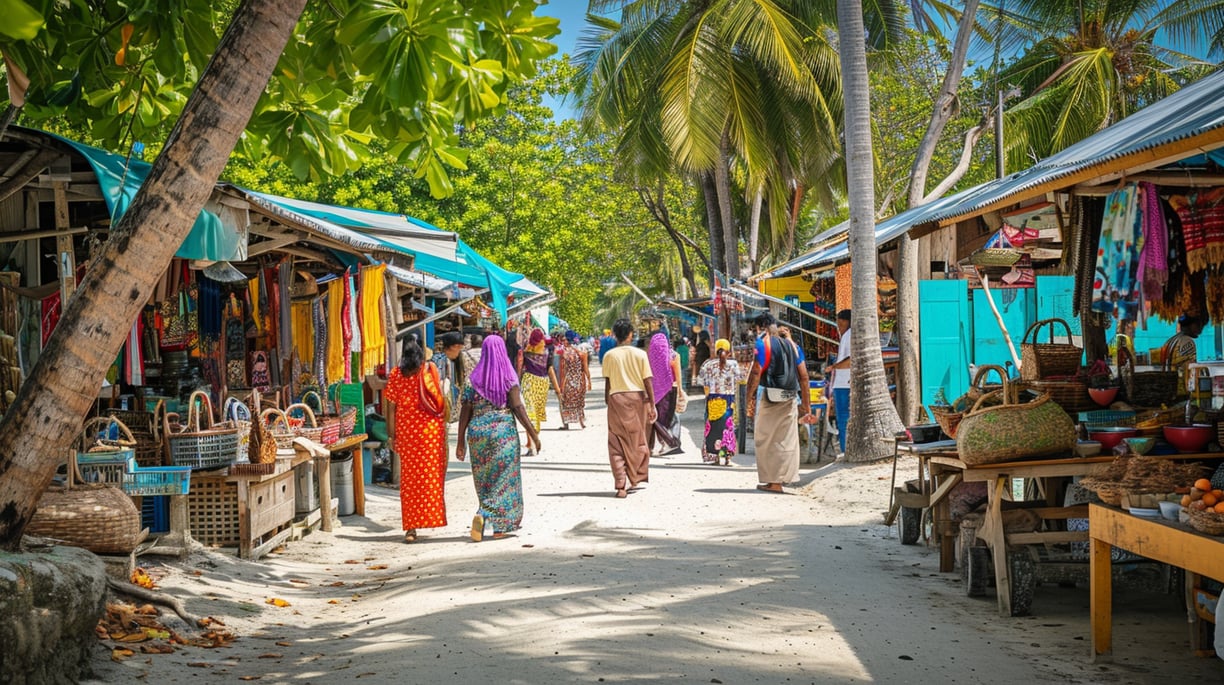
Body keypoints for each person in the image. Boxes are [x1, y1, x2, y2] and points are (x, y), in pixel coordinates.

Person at [455, 335, 541, 542]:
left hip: (477, 435)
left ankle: (484, 513)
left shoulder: (472, 380)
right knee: (503, 480)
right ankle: (496, 524)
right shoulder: (508, 376)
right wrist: (533, 434)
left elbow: (465, 411)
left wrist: (460, 442)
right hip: (503, 434)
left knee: (484, 479)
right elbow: (518, 407)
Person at [383, 338, 448, 543]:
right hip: (430, 433)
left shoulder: (395, 374)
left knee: (409, 481)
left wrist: (391, 436)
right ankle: (429, 517)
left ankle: (411, 528)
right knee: (429, 478)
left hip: (407, 434)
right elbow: (438, 398)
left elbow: (390, 408)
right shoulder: (428, 369)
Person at [745, 312, 812, 494]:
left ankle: (773, 482)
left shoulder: (762, 342)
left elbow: (757, 371)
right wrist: (807, 406)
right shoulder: (793, 346)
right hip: (790, 395)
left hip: (771, 395)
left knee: (765, 438)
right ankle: (781, 480)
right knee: (786, 439)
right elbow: (804, 376)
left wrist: (748, 397)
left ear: (759, 328)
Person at [602, 318, 656, 498]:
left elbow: (608, 382)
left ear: (615, 335)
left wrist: (608, 400)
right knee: (637, 440)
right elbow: (648, 380)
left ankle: (620, 485)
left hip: (616, 398)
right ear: (631, 334)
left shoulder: (609, 355)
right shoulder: (640, 355)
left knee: (616, 442)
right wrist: (652, 404)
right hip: (638, 399)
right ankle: (634, 478)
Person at [697, 338, 740, 466]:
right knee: (727, 427)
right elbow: (740, 378)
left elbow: (701, 381)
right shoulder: (733, 364)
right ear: (728, 351)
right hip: (728, 400)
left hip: (713, 398)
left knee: (713, 428)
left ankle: (714, 456)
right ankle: (727, 457)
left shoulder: (707, 364)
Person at [519, 327, 559, 448]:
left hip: (529, 381)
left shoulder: (525, 351)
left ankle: (532, 441)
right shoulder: (547, 352)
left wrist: (516, 382)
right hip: (543, 383)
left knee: (529, 412)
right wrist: (557, 388)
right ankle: (533, 438)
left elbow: (519, 368)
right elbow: (550, 370)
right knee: (536, 411)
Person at [647, 331, 682, 455]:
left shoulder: (648, 356)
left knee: (653, 419)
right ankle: (668, 443)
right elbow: (678, 375)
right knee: (665, 419)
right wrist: (681, 391)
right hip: (671, 390)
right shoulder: (673, 355)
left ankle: (662, 444)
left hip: (653, 391)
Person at [828, 310, 852, 455]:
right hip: (842, 382)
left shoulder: (849, 336)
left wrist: (833, 367)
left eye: (841, 323)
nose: (839, 327)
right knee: (843, 419)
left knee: (843, 418)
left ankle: (845, 449)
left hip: (845, 383)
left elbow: (850, 360)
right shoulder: (846, 336)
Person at [557, 330, 591, 429]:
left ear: (567, 340)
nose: (562, 342)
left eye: (564, 340)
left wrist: (561, 385)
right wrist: (589, 381)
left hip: (569, 382)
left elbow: (562, 371)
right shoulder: (582, 353)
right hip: (580, 382)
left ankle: (566, 425)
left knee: (564, 403)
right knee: (579, 402)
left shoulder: (564, 353)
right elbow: (585, 369)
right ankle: (581, 422)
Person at [431, 331, 466, 423]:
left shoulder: (451, 361)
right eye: (459, 347)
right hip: (440, 409)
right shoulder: (439, 361)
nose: (460, 351)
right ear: (453, 347)